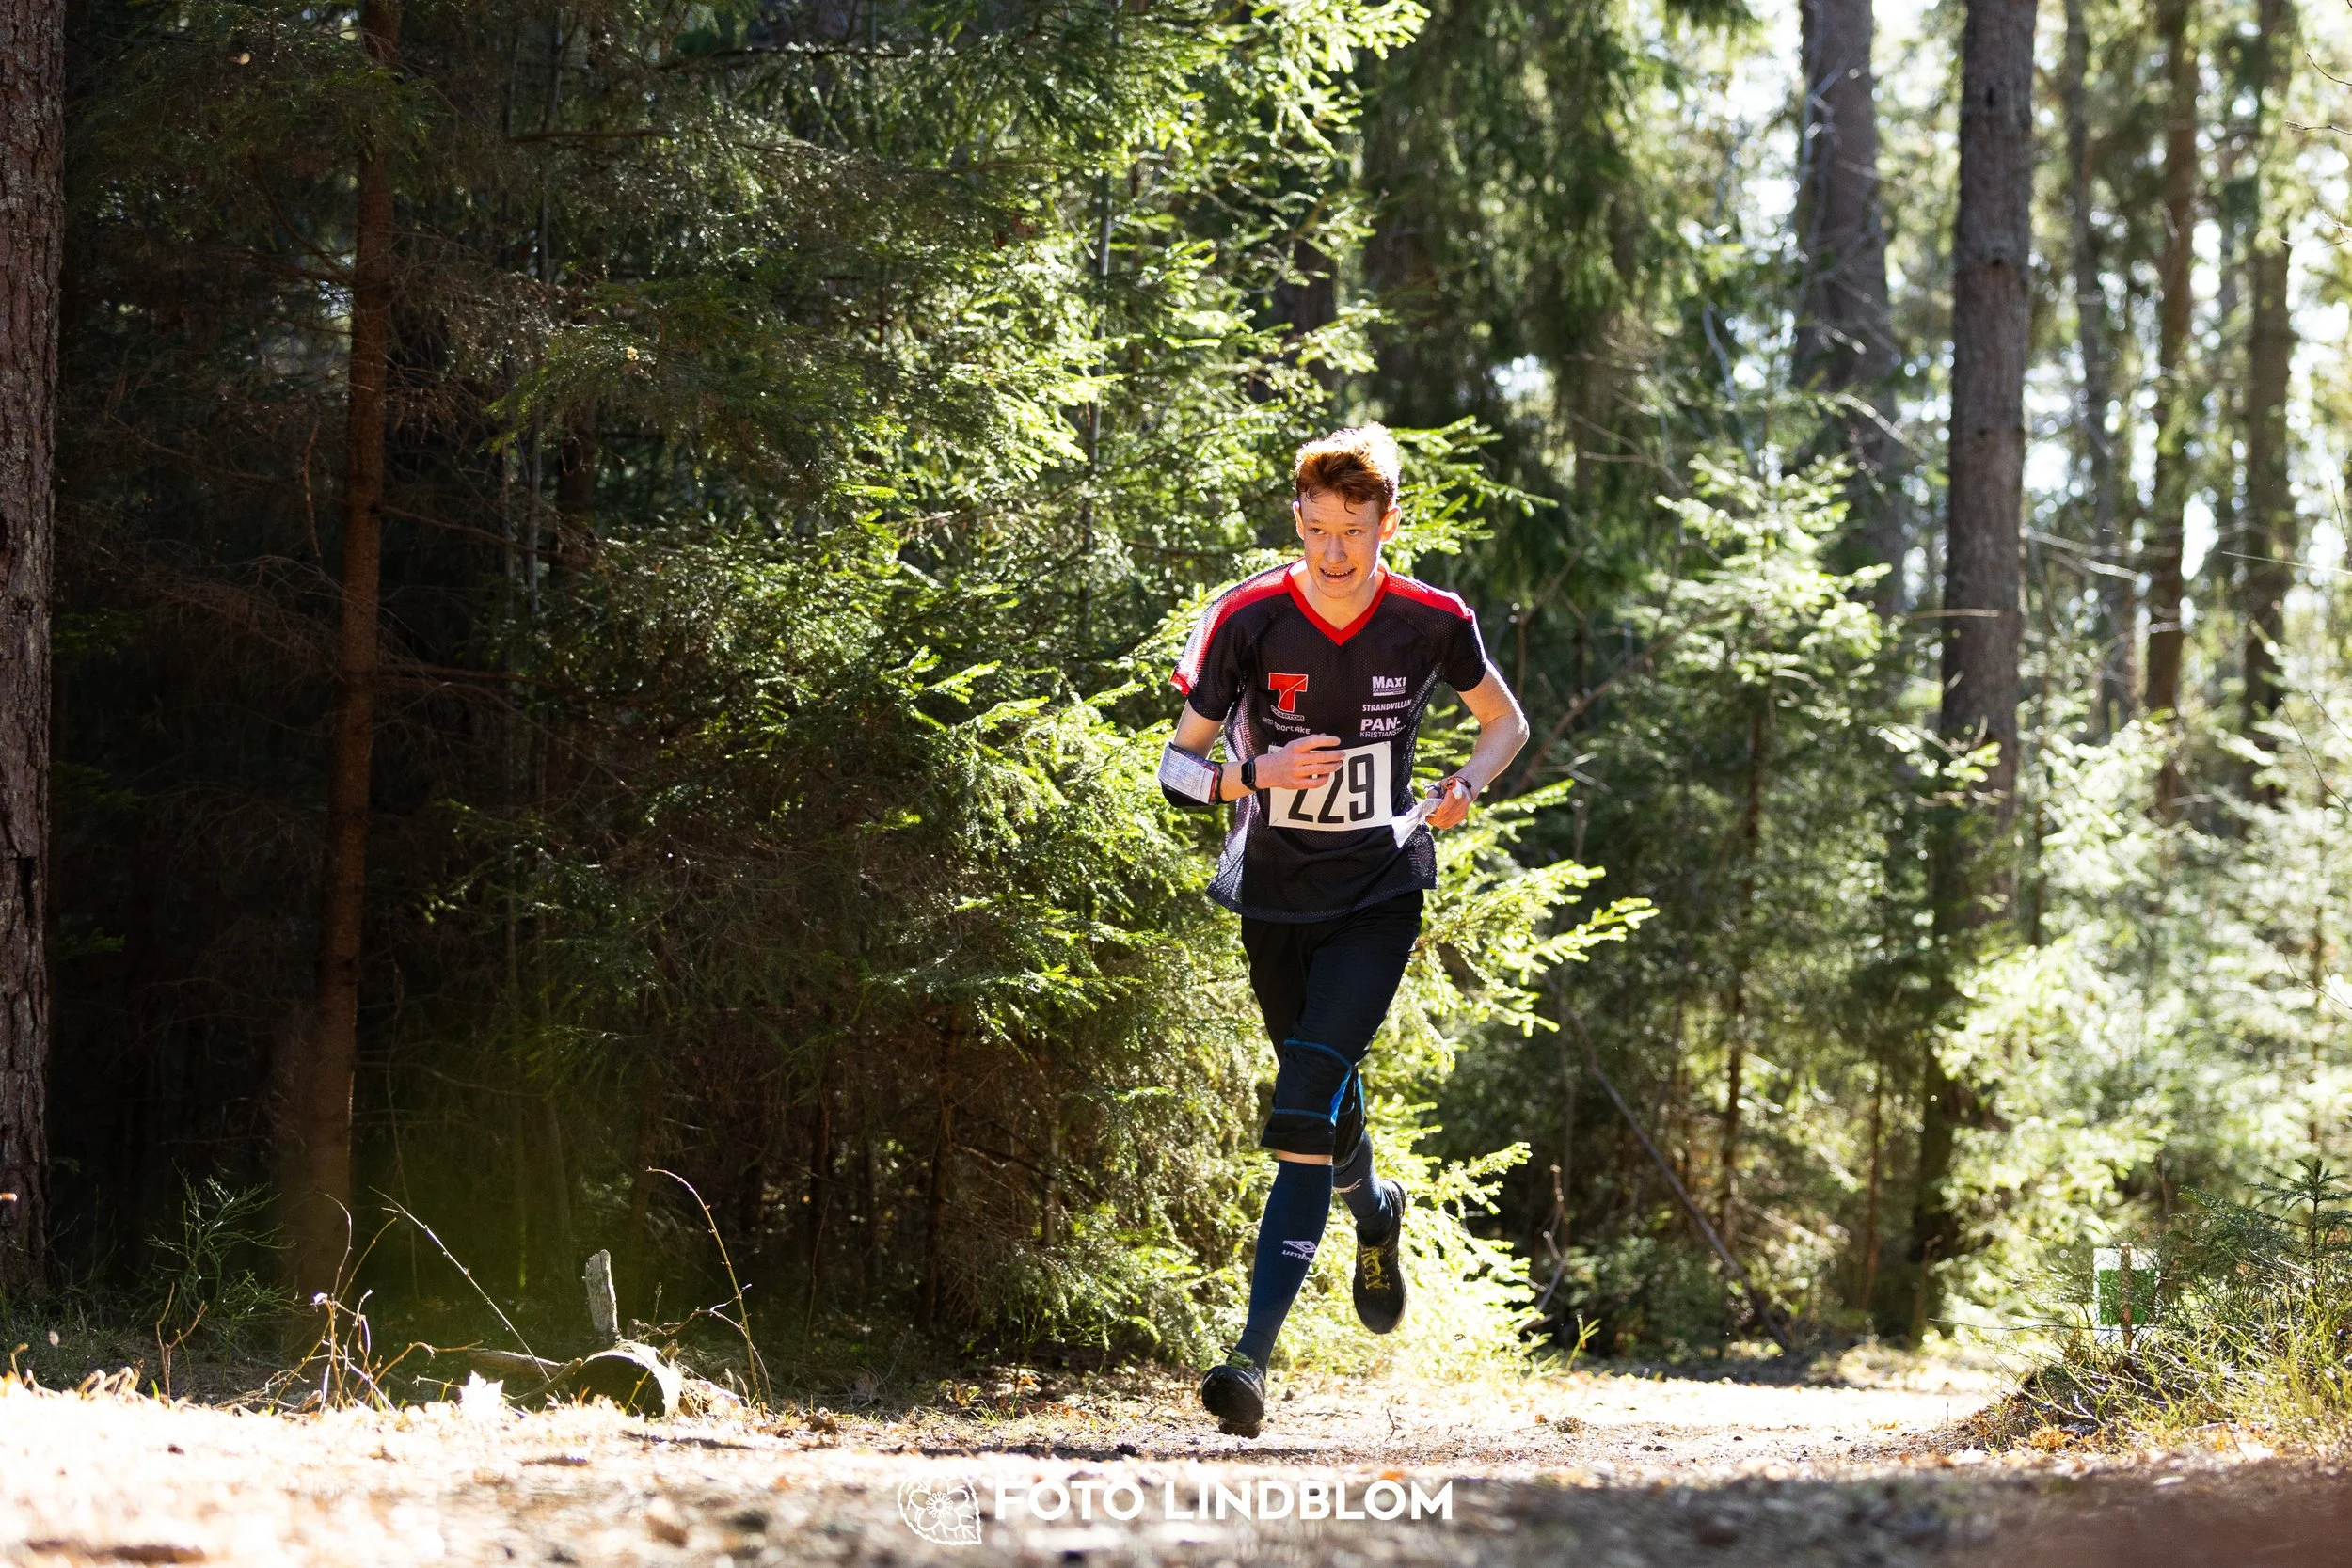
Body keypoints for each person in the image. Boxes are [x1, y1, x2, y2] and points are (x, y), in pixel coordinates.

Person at [1156, 424, 1530, 1436]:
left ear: (1386, 524)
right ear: (1297, 520)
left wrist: (1462, 784)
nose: (1331, 552)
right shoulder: (1245, 618)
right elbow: (1174, 765)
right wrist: (1250, 776)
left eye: (1352, 532)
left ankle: (1249, 1359)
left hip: (1379, 885)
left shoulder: (1428, 618)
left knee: (1301, 1105)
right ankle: (1375, 1209)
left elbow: (1506, 724)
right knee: (1317, 1097)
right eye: (1315, 529)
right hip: (1272, 892)